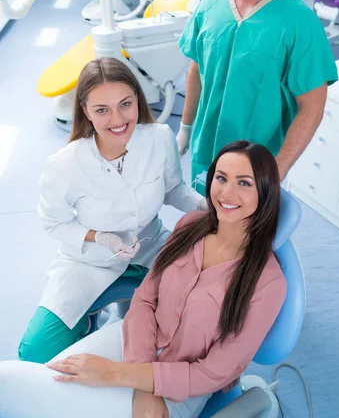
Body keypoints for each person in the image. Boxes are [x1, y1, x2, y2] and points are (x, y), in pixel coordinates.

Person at [0, 140, 286, 418]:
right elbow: (146, 298)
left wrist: (119, 375)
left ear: (265, 192)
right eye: (221, 178)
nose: (226, 192)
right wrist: (137, 377)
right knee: (20, 385)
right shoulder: (190, 226)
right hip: (133, 340)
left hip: (182, 385)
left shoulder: (268, 283)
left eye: (244, 183)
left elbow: (213, 373)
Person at [19, 57, 204, 364]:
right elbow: (53, 222)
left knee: (193, 325)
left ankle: (132, 311)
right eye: (102, 110)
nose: (117, 119)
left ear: (137, 99)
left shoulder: (159, 138)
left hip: (151, 247)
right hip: (88, 262)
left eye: (125, 104)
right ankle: (91, 319)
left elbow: (174, 190)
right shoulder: (64, 165)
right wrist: (99, 237)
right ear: (85, 111)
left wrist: (204, 206)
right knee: (35, 355)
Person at [176, 0, 338, 185]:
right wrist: (185, 128)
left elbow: (312, 106)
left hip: (257, 171)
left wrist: (276, 170)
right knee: (206, 228)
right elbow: (197, 69)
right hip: (205, 157)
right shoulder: (208, 6)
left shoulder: (299, 23)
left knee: (249, 233)